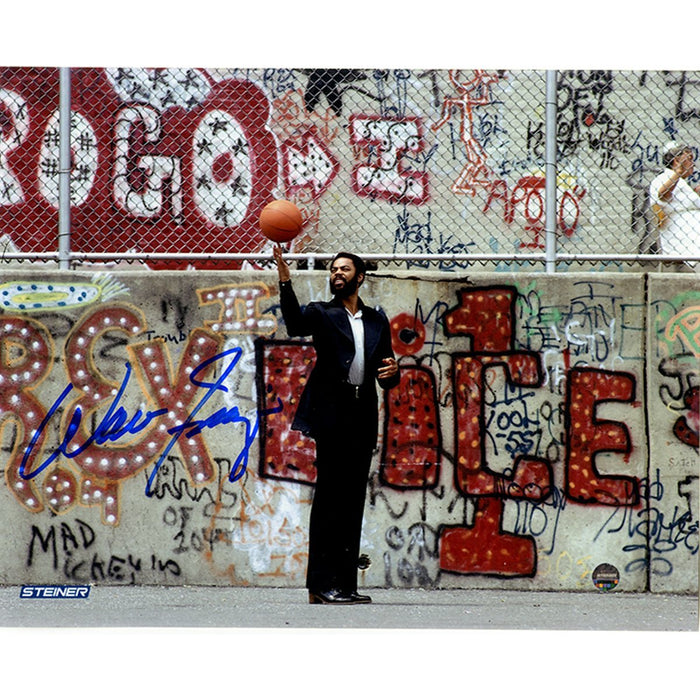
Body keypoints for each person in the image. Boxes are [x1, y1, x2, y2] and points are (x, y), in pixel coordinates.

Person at [273, 245, 399, 604]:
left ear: (360, 277)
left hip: (362, 414)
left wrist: (394, 372)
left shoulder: (376, 320)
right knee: (330, 499)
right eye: (333, 270)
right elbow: (295, 325)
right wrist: (286, 282)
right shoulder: (322, 313)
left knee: (353, 500)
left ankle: (344, 583)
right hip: (332, 414)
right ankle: (320, 585)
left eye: (344, 269)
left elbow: (385, 371)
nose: (337, 274)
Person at [649, 142, 700, 264]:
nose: (693, 164)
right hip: (685, 245)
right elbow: (662, 195)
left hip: (691, 243)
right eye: (689, 159)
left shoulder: (680, 183)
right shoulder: (664, 178)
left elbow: (681, 202)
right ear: (677, 161)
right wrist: (678, 172)